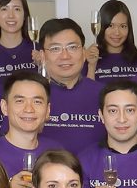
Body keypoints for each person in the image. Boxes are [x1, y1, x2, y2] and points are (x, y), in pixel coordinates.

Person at [36, 19, 105, 156]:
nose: (65, 56)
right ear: (43, 56)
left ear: (84, 53)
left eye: (72, 47)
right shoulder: (31, 95)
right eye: (55, 49)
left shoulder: (105, 94)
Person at [0, 0, 39, 83]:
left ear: (24, 15)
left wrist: (43, 66)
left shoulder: (38, 50)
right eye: (4, 9)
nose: (11, 15)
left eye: (17, 9)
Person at [90, 0, 137, 82]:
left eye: (123, 26)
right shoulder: (90, 60)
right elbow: (87, 93)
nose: (117, 33)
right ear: (101, 27)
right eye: (111, 26)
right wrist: (92, 66)